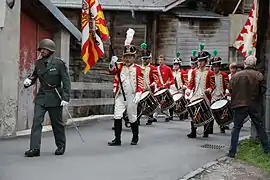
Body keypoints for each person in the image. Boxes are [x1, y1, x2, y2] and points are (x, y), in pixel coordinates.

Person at [23, 39, 71, 157]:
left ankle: (60, 145)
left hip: (55, 96)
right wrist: (29, 81)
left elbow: (66, 81)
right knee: (36, 122)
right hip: (42, 96)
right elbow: (35, 76)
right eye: (41, 49)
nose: (42, 51)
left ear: (51, 50)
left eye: (44, 49)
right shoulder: (39, 63)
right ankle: (34, 148)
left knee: (57, 123)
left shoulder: (59, 63)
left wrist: (66, 98)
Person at [227, 52, 270, 158]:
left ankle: (232, 152)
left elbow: (230, 89)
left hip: (239, 104)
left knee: (236, 128)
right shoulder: (259, 75)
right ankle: (267, 149)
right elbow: (263, 89)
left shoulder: (236, 75)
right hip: (254, 104)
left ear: (245, 63)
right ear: (254, 64)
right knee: (259, 126)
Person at [108, 28, 144, 146]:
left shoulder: (139, 69)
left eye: (130, 56)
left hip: (132, 96)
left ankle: (135, 137)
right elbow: (111, 71)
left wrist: (138, 94)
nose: (128, 59)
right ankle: (117, 139)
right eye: (126, 56)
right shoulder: (119, 66)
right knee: (117, 115)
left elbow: (140, 83)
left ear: (134, 57)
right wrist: (112, 63)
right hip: (120, 95)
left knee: (132, 117)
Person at [186, 43, 215, 138]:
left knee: (205, 112)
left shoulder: (210, 72)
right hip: (196, 94)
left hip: (205, 96)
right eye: (199, 61)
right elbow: (191, 83)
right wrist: (189, 90)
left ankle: (206, 131)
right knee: (193, 112)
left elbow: (213, 85)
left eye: (202, 61)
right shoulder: (194, 72)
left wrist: (209, 89)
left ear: (206, 61)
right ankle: (193, 131)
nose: (200, 63)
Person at [210, 49, 230, 133]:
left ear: (219, 66)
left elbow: (227, 85)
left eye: (217, 66)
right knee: (212, 113)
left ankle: (222, 125)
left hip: (221, 95)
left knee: (222, 112)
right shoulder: (210, 74)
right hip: (213, 95)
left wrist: (227, 92)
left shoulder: (224, 75)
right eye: (214, 66)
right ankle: (210, 128)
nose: (215, 68)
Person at [140, 42, 159, 125]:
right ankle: (138, 118)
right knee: (139, 104)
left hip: (149, 88)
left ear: (149, 59)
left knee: (149, 103)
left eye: (146, 59)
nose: (145, 60)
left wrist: (154, 84)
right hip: (141, 88)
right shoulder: (140, 68)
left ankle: (150, 117)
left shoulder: (153, 68)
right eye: (144, 59)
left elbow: (157, 79)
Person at [154, 55, 175, 122]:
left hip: (166, 88)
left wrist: (168, 83)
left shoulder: (168, 68)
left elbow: (172, 79)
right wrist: (159, 85)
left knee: (165, 102)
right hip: (158, 88)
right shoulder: (156, 69)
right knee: (157, 102)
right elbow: (155, 79)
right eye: (159, 60)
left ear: (164, 60)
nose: (160, 61)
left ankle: (167, 115)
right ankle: (155, 116)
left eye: (161, 60)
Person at [170, 52, 188, 120]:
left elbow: (186, 82)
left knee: (182, 100)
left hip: (180, 90)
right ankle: (170, 115)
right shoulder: (171, 73)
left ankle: (182, 113)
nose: (175, 66)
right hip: (173, 90)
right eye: (174, 64)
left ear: (179, 65)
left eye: (177, 64)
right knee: (171, 100)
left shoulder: (183, 72)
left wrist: (184, 86)